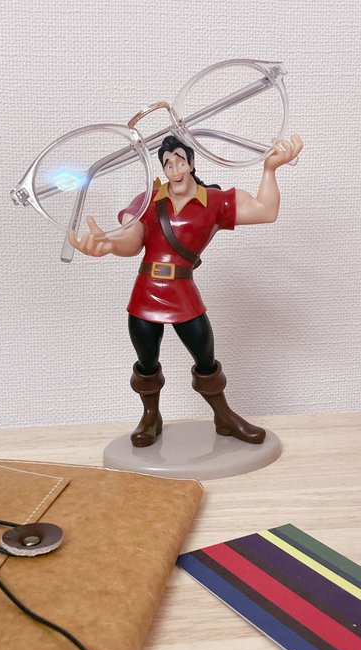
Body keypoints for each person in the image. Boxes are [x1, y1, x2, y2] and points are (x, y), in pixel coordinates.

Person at [69, 133, 303, 447]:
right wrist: (110, 244)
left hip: (182, 289)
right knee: (146, 362)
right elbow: (131, 240)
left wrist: (270, 169)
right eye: (168, 164)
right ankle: (150, 417)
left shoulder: (214, 202)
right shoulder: (148, 200)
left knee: (205, 357)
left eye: (180, 161)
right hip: (146, 291)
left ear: (191, 163)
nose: (175, 170)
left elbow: (265, 211)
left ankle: (224, 416)